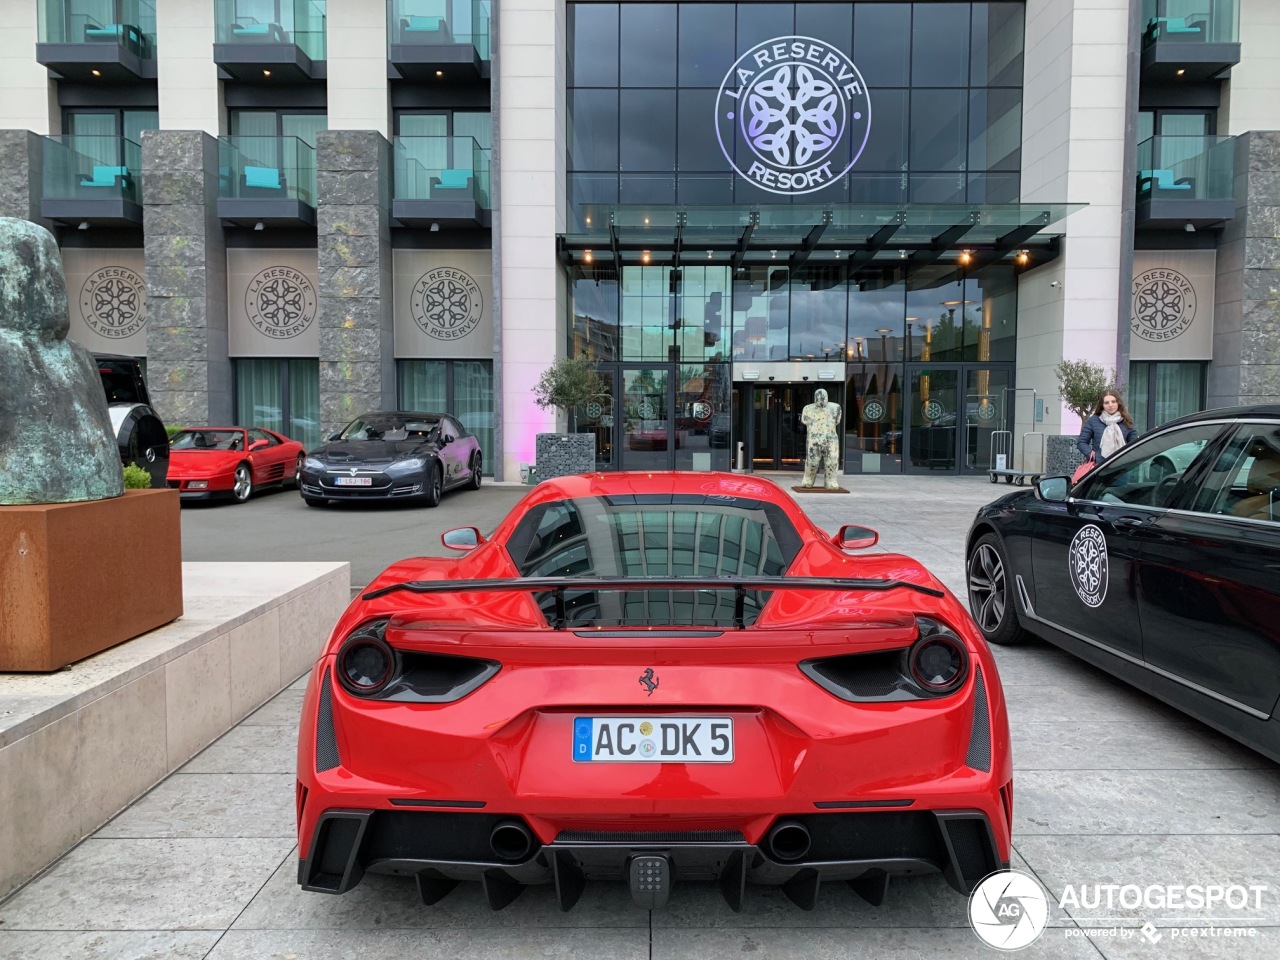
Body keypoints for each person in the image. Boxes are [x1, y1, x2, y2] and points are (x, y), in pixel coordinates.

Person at [1077, 390, 1138, 463]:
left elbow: (1133, 444)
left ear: (1118, 403)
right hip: (1100, 466)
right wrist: (1092, 456)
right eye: (1106, 403)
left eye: (1113, 401)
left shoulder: (1127, 420)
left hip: (1122, 466)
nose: (1110, 405)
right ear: (1102, 405)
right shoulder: (1093, 420)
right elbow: (1081, 442)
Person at [800, 388, 843, 489]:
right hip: (814, 439)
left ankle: (831, 481)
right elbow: (804, 420)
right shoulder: (807, 408)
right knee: (812, 462)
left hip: (830, 439)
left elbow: (837, 421)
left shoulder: (836, 407)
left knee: (832, 461)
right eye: (819, 397)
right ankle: (808, 480)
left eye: (823, 396)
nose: (821, 398)